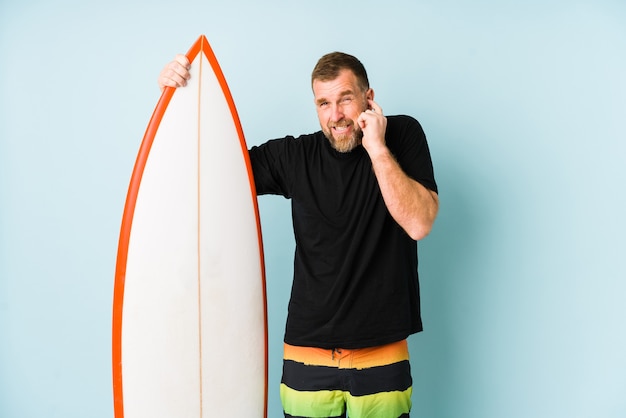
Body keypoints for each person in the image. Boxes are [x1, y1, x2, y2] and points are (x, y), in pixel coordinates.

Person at [158, 50, 439, 418]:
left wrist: (377, 149)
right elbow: (210, 169)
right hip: (306, 355)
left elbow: (419, 223)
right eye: (324, 103)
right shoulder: (296, 156)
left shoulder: (402, 136)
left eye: (346, 99)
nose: (335, 114)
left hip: (381, 350)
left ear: (369, 100)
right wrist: (176, 100)